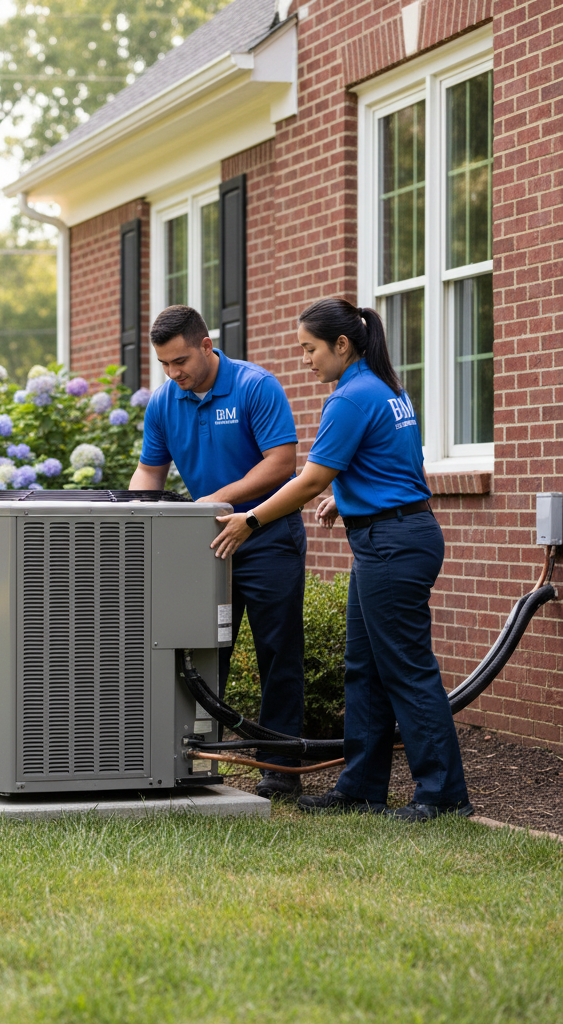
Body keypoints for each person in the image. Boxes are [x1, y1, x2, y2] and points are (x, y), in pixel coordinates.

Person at [212, 298, 472, 822]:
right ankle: (360, 788)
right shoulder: (384, 388)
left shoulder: (349, 398)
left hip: (392, 544)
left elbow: (307, 478)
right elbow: (395, 463)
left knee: (407, 670)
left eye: (310, 349)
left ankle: (443, 796)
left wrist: (251, 520)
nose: (305, 359)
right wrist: (347, 497)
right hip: (394, 534)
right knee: (366, 669)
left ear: (342, 345)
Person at [129, 304, 307, 799]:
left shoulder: (255, 386)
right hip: (209, 545)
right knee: (204, 651)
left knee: (278, 655)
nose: (173, 373)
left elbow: (282, 464)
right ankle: (195, 758)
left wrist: (216, 499)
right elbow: (150, 471)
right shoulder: (166, 401)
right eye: (164, 364)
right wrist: (135, 519)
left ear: (207, 345)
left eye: (180, 361)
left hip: (267, 536)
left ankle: (279, 770)